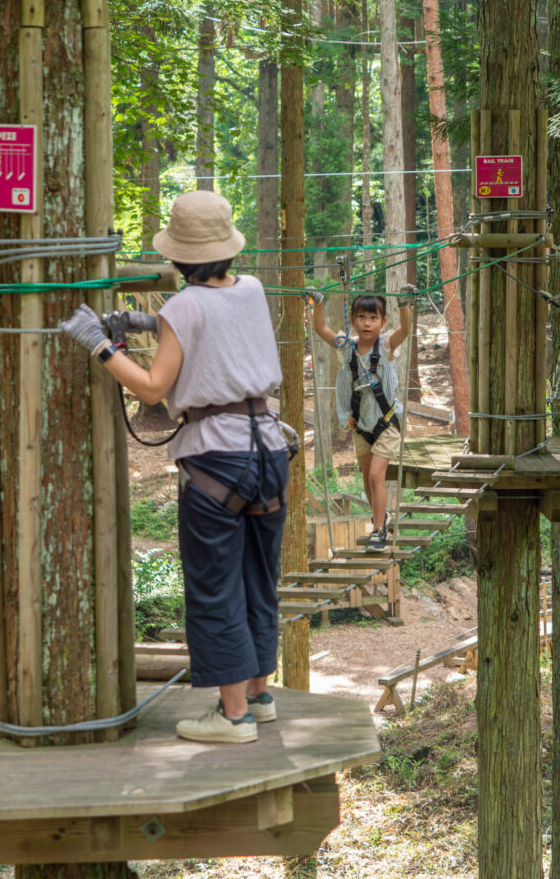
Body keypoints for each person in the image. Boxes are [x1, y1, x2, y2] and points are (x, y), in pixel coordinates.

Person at [61, 190, 290, 746]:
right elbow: (222, 334)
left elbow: (155, 386)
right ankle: (258, 696)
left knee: (214, 587)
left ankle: (231, 715)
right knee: (259, 579)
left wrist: (101, 345)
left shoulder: (185, 306)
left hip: (216, 460)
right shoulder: (252, 289)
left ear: (180, 255)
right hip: (270, 452)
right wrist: (150, 322)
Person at [310, 285, 415, 551]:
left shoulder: (387, 344)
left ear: (382, 322)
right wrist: (317, 304)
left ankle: (379, 531)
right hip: (361, 427)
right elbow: (321, 330)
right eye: (361, 317)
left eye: (372, 318)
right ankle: (382, 516)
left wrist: (404, 304)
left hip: (386, 423)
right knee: (368, 479)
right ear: (353, 320)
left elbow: (405, 330)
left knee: (376, 477)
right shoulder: (347, 347)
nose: (366, 323)